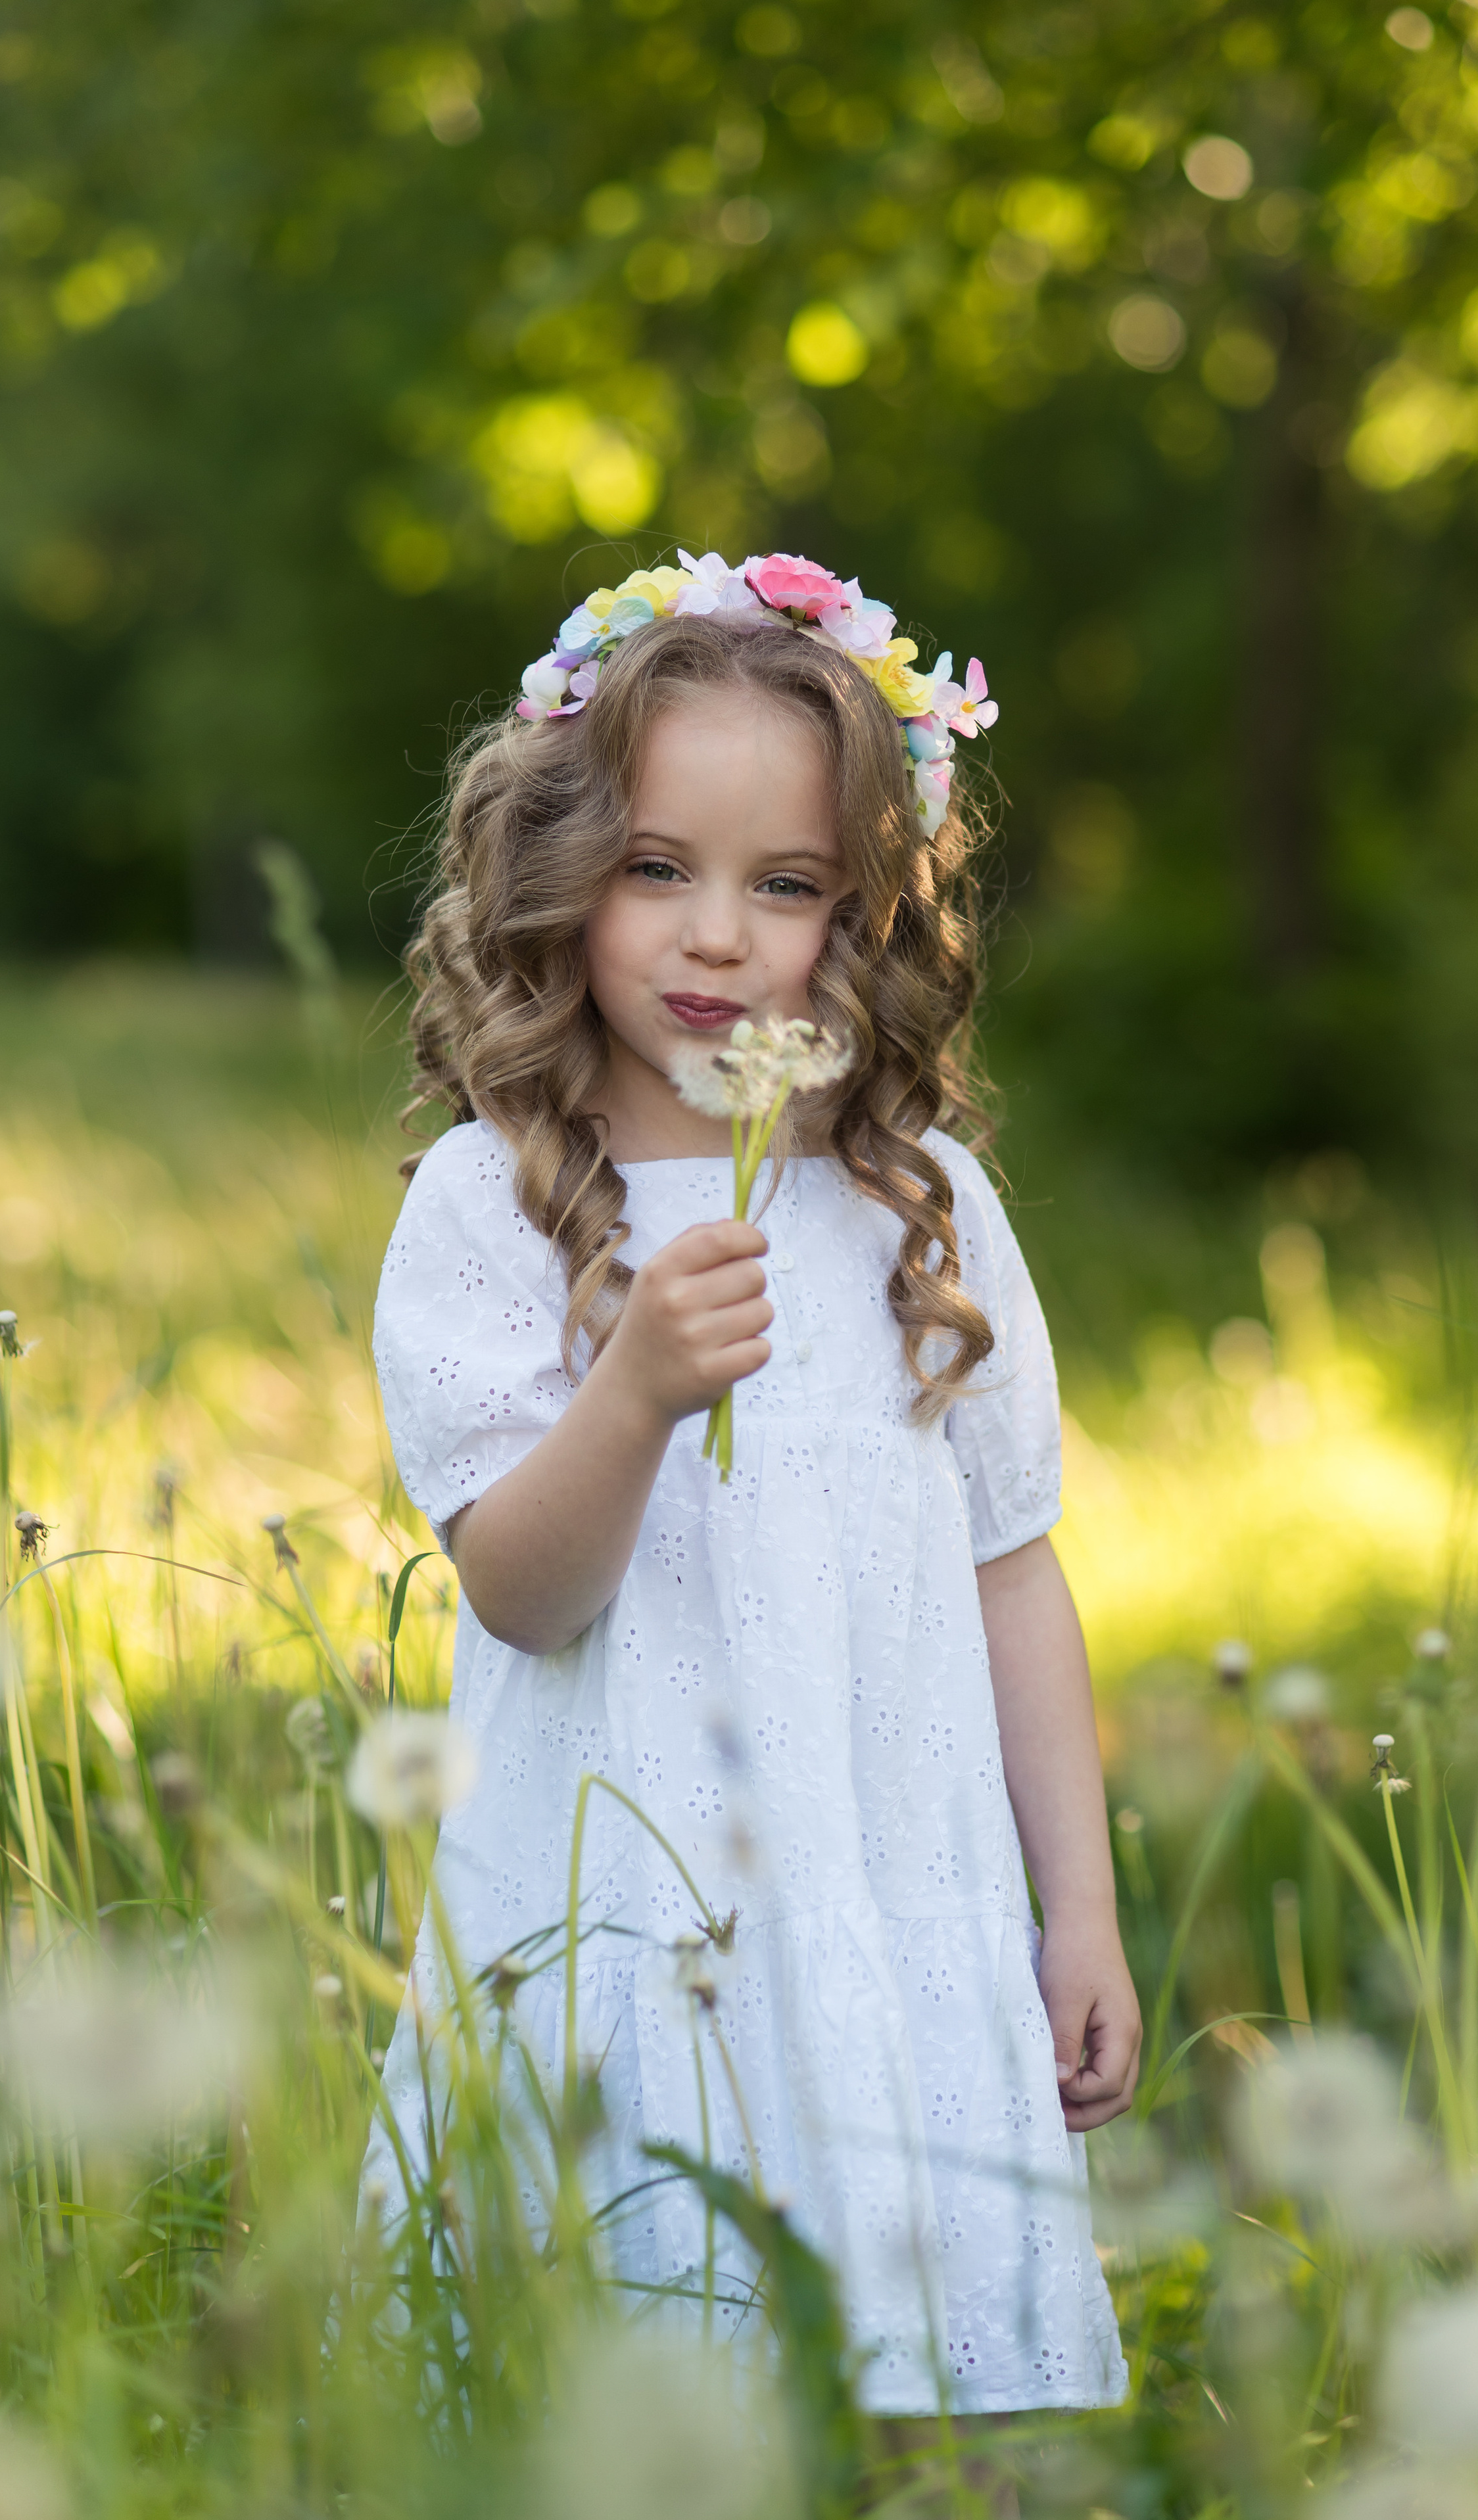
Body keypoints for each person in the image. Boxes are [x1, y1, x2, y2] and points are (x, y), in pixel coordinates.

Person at [366, 550, 1141, 2418]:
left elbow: (1012, 1568)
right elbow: (521, 1592)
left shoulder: (916, 1204)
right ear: (560, 873)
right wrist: (633, 1386)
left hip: (887, 1881)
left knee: (928, 2412)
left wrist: (1080, 1909)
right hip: (634, 1910)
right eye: (658, 867)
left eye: (784, 885)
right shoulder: (494, 1201)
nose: (718, 937)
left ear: (858, 914)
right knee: (622, 2382)